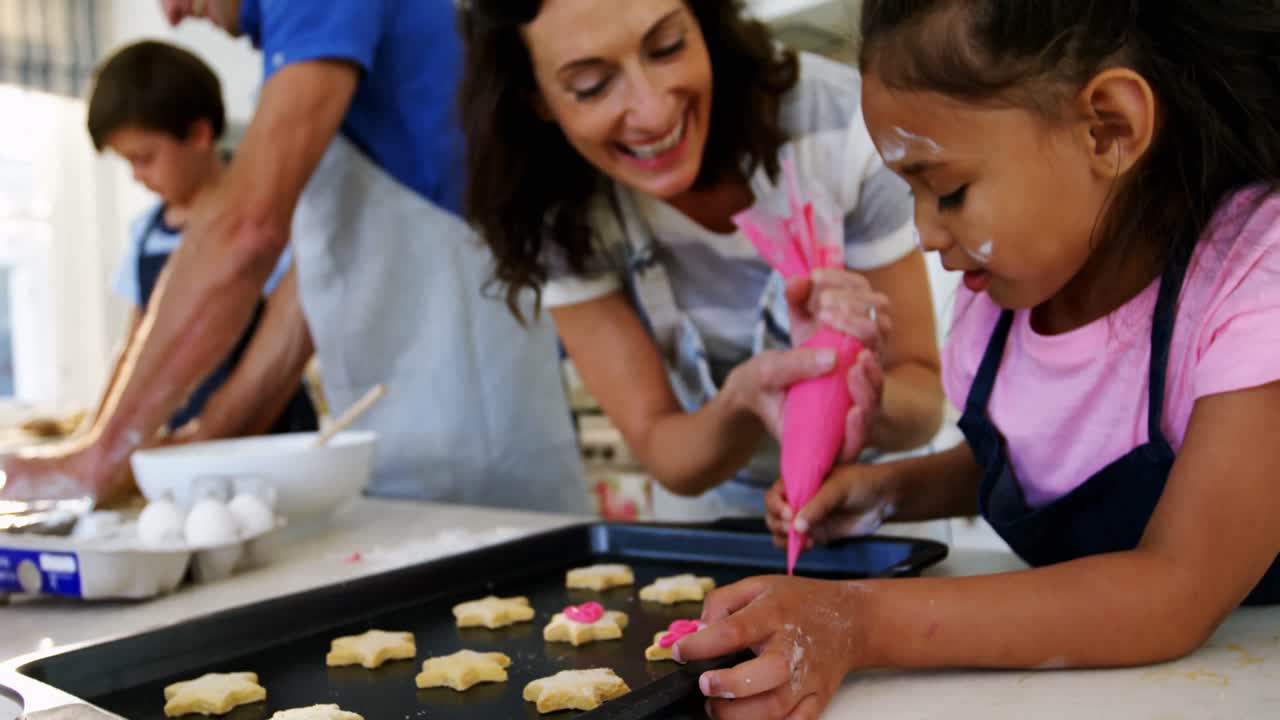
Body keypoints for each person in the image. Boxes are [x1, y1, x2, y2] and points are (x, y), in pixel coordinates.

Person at [672, 2, 1280, 717]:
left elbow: (1176, 587)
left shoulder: (1253, 282)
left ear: (1108, 126)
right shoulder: (1006, 299)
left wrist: (859, 620)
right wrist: (888, 491)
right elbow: (1047, 454)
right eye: (911, 193)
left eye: (949, 190)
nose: (926, 232)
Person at [0, 0, 587, 514]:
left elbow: (245, 231)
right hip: (411, 452)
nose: (171, 14)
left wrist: (100, 454)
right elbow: (306, 300)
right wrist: (206, 439)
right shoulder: (307, 61)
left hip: (478, 440)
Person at [459, 0, 945, 520]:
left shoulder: (837, 125)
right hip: (718, 510)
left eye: (667, 47)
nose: (653, 111)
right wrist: (744, 400)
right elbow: (661, 443)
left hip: (881, 500)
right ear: (535, 98)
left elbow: (923, 401)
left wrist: (849, 382)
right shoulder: (555, 208)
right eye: (592, 85)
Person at [86, 40, 317, 444]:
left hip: (273, 433)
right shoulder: (146, 234)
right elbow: (133, 350)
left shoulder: (265, 226)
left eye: (145, 157)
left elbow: (290, 334)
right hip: (186, 439)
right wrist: (98, 438)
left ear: (198, 134)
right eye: (128, 163)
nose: (137, 176)